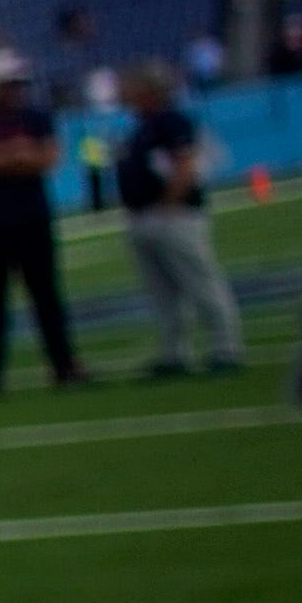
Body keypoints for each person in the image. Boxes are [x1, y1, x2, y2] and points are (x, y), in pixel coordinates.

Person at [0, 74, 81, 395]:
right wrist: (14, 154)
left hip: (32, 220)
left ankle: (64, 364)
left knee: (46, 295)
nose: (14, 92)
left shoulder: (35, 118)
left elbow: (46, 159)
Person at [112, 66, 246, 377]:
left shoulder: (171, 122)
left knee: (200, 281)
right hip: (146, 213)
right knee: (163, 292)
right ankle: (174, 352)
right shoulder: (143, 126)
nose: (124, 93)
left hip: (173, 215)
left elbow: (185, 164)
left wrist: (169, 203)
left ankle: (225, 347)